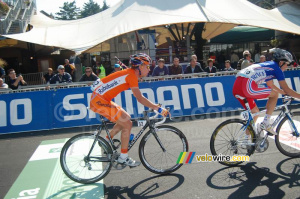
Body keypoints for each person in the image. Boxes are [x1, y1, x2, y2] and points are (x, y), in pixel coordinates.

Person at [90, 53, 169, 167]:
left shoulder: (131, 74)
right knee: (127, 124)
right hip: (99, 101)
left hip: (100, 99)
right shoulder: (131, 75)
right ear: (140, 66)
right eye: (147, 66)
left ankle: (106, 141)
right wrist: (158, 108)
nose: (149, 68)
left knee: (125, 118)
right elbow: (140, 98)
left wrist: (154, 106)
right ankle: (123, 157)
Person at [232, 48, 300, 135]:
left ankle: (246, 140)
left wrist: (282, 92)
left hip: (237, 85)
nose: (287, 66)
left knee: (255, 113)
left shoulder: (268, 65)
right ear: (281, 62)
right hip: (247, 85)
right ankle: (266, 122)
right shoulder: (277, 68)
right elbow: (287, 89)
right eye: (286, 64)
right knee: (274, 95)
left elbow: (270, 84)